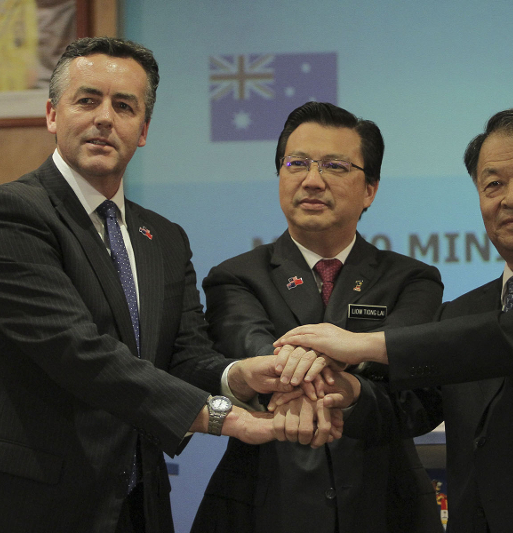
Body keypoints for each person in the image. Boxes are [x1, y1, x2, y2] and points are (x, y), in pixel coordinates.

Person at [0, 37, 318, 533]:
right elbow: (78, 351)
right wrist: (223, 417)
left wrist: (241, 377)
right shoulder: (12, 214)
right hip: (22, 506)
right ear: (53, 114)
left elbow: (184, 356)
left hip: (134, 505)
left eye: (124, 106)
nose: (104, 118)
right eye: (87, 100)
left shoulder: (164, 238)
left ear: (143, 130)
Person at [276, 108, 513, 533]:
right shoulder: (462, 311)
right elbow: (412, 410)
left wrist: (364, 343)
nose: (511, 198)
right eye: (493, 184)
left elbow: (511, 337)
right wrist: (342, 391)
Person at [190, 102, 445, 533]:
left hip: (386, 507)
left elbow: (419, 398)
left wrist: (350, 392)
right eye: (297, 164)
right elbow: (249, 345)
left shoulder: (413, 280)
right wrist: (323, 370)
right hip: (262, 507)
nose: (312, 180)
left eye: (334, 166)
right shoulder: (235, 276)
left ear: (370, 190)